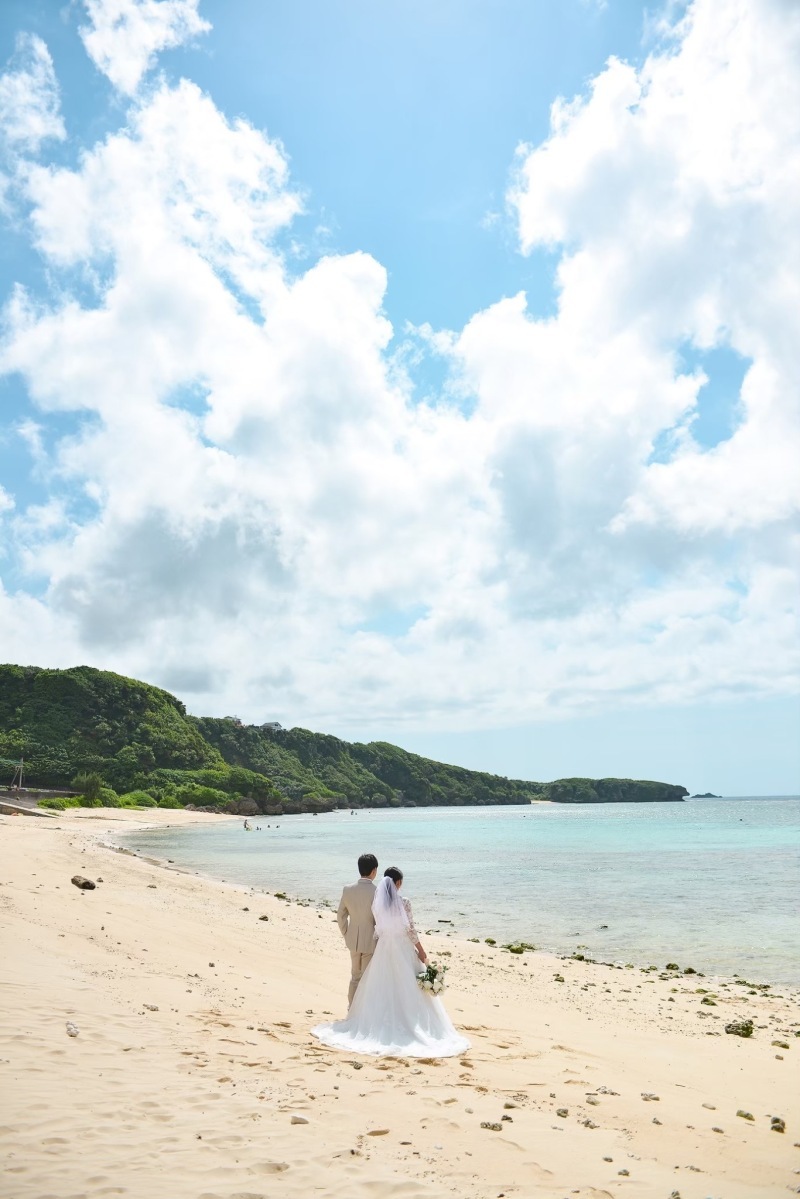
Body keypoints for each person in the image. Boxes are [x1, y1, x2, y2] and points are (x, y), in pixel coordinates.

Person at [312, 867, 470, 1058]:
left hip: (384, 949)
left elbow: (378, 930)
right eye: (400, 882)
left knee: (380, 987)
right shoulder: (405, 903)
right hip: (403, 949)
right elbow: (411, 931)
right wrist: (421, 951)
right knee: (409, 986)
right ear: (398, 883)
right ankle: (412, 1023)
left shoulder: (377, 906)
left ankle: (373, 1021)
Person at [337, 852, 378, 1006]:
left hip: (353, 939)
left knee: (355, 976)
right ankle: (362, 1011)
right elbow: (378, 919)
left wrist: (346, 933)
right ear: (374, 871)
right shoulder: (377, 891)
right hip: (370, 941)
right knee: (366, 978)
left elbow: (340, 916)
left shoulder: (348, 889)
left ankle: (351, 1008)